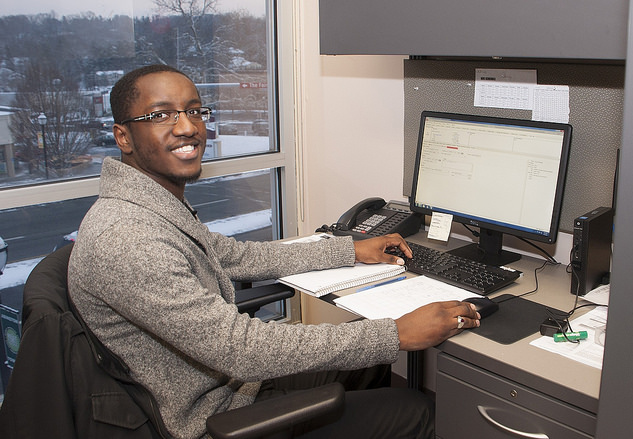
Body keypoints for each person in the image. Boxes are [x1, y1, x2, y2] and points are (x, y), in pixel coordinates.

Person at [68, 64, 480, 439]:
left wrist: (348, 250)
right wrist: (396, 333)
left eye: (194, 111)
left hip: (225, 384)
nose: (187, 127)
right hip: (213, 415)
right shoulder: (129, 238)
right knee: (418, 409)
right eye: (161, 115)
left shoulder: (150, 206)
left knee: (370, 362)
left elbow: (236, 257)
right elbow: (241, 350)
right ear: (123, 135)